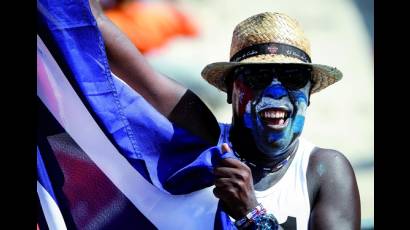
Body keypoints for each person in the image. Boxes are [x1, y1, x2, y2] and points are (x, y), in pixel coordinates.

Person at [89, 0, 361, 229]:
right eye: (258, 76)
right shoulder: (204, 140)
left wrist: (251, 213)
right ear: (231, 90)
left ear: (309, 93)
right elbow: (118, 50)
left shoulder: (324, 171)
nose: (276, 92)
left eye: (293, 77)